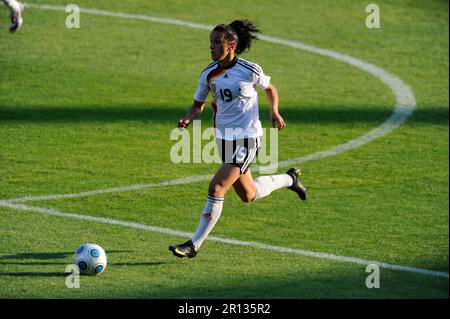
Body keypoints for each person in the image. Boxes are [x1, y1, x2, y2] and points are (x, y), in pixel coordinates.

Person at [169, 20, 308, 258]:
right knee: (248, 194)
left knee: (217, 186)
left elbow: (270, 88)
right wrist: (188, 119)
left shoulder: (249, 69)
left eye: (217, 42)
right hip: (224, 140)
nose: (211, 47)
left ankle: (194, 245)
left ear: (232, 45)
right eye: (210, 42)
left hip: (248, 139)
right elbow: (197, 105)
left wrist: (274, 111)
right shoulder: (208, 74)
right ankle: (289, 179)